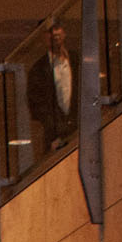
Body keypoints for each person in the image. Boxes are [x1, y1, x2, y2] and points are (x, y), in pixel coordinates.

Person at [25, 24, 78, 156]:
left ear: (64, 32)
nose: (55, 34)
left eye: (57, 28)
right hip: (55, 133)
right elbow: (36, 106)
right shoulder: (38, 69)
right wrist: (53, 132)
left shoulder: (77, 60)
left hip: (80, 126)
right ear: (44, 37)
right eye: (50, 31)